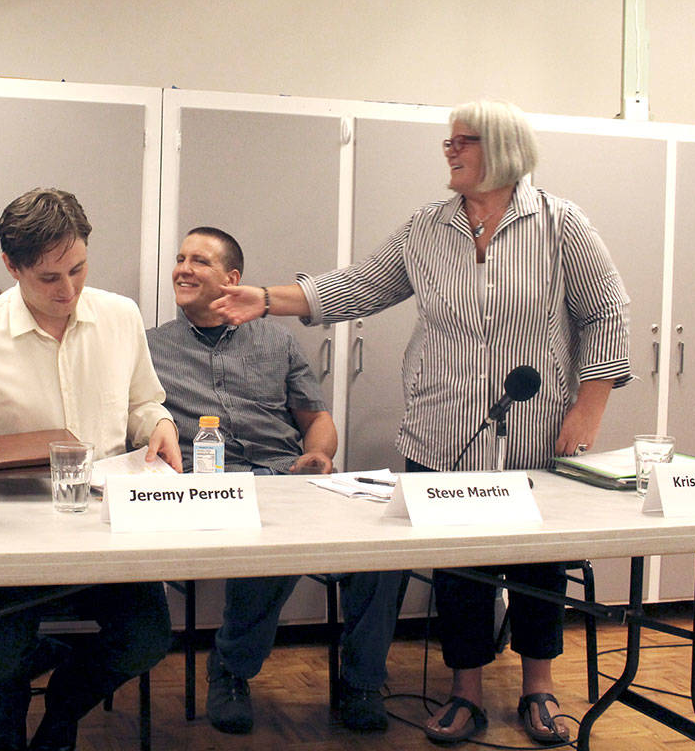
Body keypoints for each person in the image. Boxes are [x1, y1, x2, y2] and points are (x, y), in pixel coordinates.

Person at [211, 99, 631, 746]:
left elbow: (606, 310)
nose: (449, 150)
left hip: (537, 431)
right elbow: (357, 286)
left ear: (502, 149)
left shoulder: (559, 223)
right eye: (449, 140)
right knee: (460, 569)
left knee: (537, 566)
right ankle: (464, 695)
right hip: (444, 430)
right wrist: (267, 299)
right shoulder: (426, 229)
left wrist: (590, 404)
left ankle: (538, 690)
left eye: (463, 141)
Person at [0, 187, 179, 751]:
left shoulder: (120, 316)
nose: (68, 290)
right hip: (12, 532)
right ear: (11, 267)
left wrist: (158, 425)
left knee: (146, 640)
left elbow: (144, 404)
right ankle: (9, 701)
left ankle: (63, 708)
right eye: (48, 278)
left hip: (105, 528)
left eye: (78, 269)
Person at [146, 227, 405, 735]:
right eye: (180, 258)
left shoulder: (277, 338)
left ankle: (360, 680)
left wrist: (319, 453)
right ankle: (233, 669)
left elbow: (316, 418)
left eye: (198, 260)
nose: (182, 268)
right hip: (211, 488)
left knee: (386, 545)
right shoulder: (151, 347)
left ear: (231, 278)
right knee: (271, 537)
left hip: (289, 477)